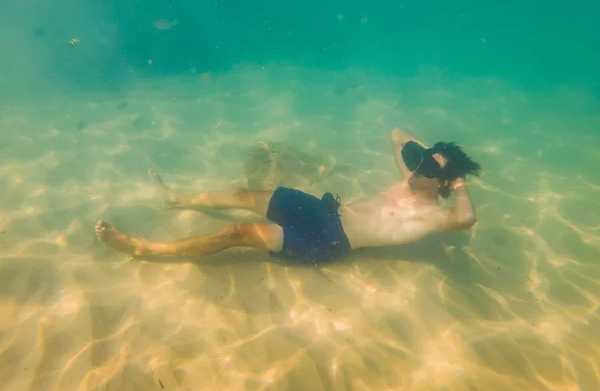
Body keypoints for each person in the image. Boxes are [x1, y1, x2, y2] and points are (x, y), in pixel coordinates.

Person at [95, 128, 482, 264]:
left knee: (238, 233)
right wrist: (433, 155)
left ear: (445, 185)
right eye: (422, 164)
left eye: (430, 171)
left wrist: (457, 179)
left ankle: (145, 249)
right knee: (243, 194)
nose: (419, 170)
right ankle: (176, 200)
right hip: (324, 209)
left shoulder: (434, 215)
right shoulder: (411, 177)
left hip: (329, 239)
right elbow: (398, 134)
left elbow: (466, 219)